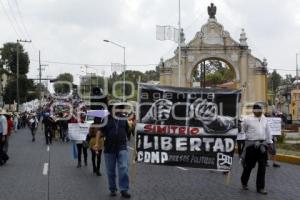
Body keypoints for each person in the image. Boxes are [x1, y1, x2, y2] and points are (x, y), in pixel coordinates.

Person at [94, 105, 131, 198]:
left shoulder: (123, 118)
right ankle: (113, 189)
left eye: (120, 108)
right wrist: (97, 143)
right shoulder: (106, 119)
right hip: (109, 148)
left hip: (122, 147)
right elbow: (99, 131)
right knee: (111, 171)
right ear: (111, 109)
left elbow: (128, 130)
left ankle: (124, 189)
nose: (118, 109)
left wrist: (134, 126)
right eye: (116, 108)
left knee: (124, 168)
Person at [240, 103, 273, 195]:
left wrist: (270, 142)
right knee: (249, 166)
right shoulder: (248, 119)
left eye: (260, 111)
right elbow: (244, 130)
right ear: (254, 111)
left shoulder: (264, 119)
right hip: (252, 146)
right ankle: (244, 182)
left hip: (262, 145)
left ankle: (260, 187)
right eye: (257, 111)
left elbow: (268, 130)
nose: (259, 113)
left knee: (262, 167)